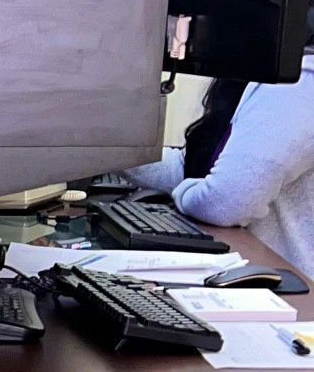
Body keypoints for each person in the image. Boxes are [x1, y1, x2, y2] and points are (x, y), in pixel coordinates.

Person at [128, 20, 314, 272]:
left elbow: (226, 203)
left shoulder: (300, 81)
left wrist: (185, 194)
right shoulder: (260, 70)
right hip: (259, 276)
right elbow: (191, 170)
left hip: (290, 289)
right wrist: (105, 150)